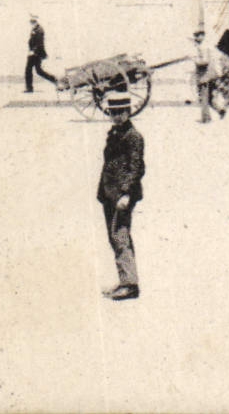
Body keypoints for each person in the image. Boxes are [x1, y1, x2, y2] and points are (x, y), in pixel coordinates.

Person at [97, 90, 145, 301]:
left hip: (122, 197)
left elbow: (136, 168)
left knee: (120, 236)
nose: (116, 116)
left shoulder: (133, 137)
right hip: (109, 193)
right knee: (115, 237)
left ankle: (130, 285)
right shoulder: (115, 133)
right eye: (113, 112)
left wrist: (126, 194)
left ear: (128, 112)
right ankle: (125, 280)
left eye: (121, 112)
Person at [191, 29, 228, 124]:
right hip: (212, 74)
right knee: (210, 98)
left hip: (205, 75)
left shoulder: (203, 47)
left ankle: (206, 118)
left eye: (198, 35)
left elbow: (205, 61)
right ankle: (220, 110)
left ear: (202, 36)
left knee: (204, 97)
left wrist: (195, 60)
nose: (196, 38)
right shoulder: (205, 45)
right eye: (195, 35)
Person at [25, 14, 49, 93]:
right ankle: (54, 80)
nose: (32, 23)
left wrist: (34, 51)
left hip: (36, 53)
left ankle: (29, 88)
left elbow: (39, 43)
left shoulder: (39, 30)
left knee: (29, 70)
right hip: (34, 53)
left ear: (36, 21)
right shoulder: (35, 29)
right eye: (31, 21)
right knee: (39, 71)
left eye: (33, 21)